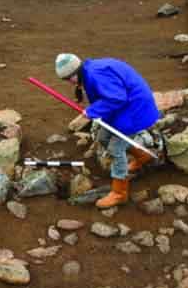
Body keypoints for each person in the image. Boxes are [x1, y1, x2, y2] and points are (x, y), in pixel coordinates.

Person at [55, 53, 159, 208]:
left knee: (115, 148)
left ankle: (119, 193)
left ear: (77, 69)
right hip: (122, 109)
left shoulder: (95, 74)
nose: (69, 82)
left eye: (70, 77)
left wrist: (92, 111)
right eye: (66, 79)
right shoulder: (87, 70)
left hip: (135, 108)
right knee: (103, 137)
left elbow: (117, 98)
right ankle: (143, 157)